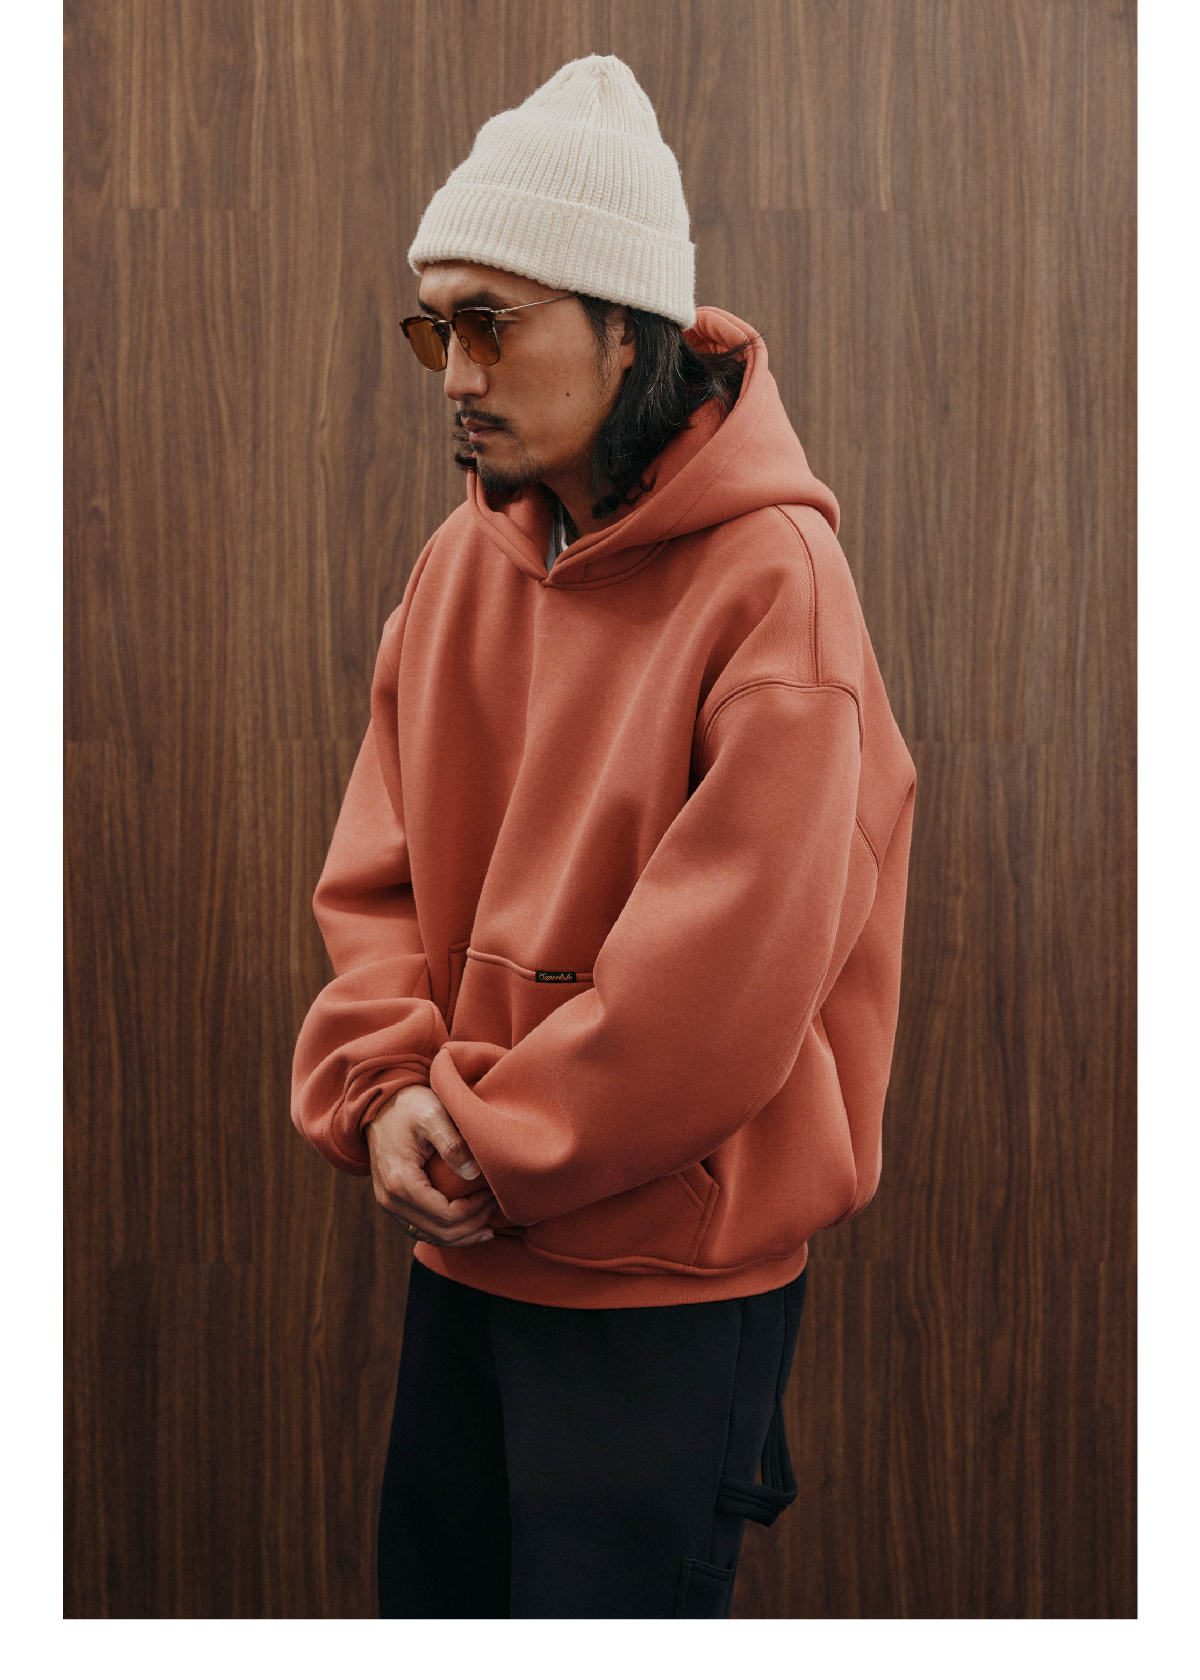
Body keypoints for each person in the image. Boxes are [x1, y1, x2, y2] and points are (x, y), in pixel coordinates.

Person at [291, 54, 917, 1619]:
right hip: (468, 1250)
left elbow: (719, 995)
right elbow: (376, 877)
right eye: (436, 330)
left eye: (492, 323)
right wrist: (384, 1092)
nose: (454, 373)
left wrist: (484, 1138)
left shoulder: (774, 585)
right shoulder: (458, 569)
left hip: (660, 1290)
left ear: (626, 325)